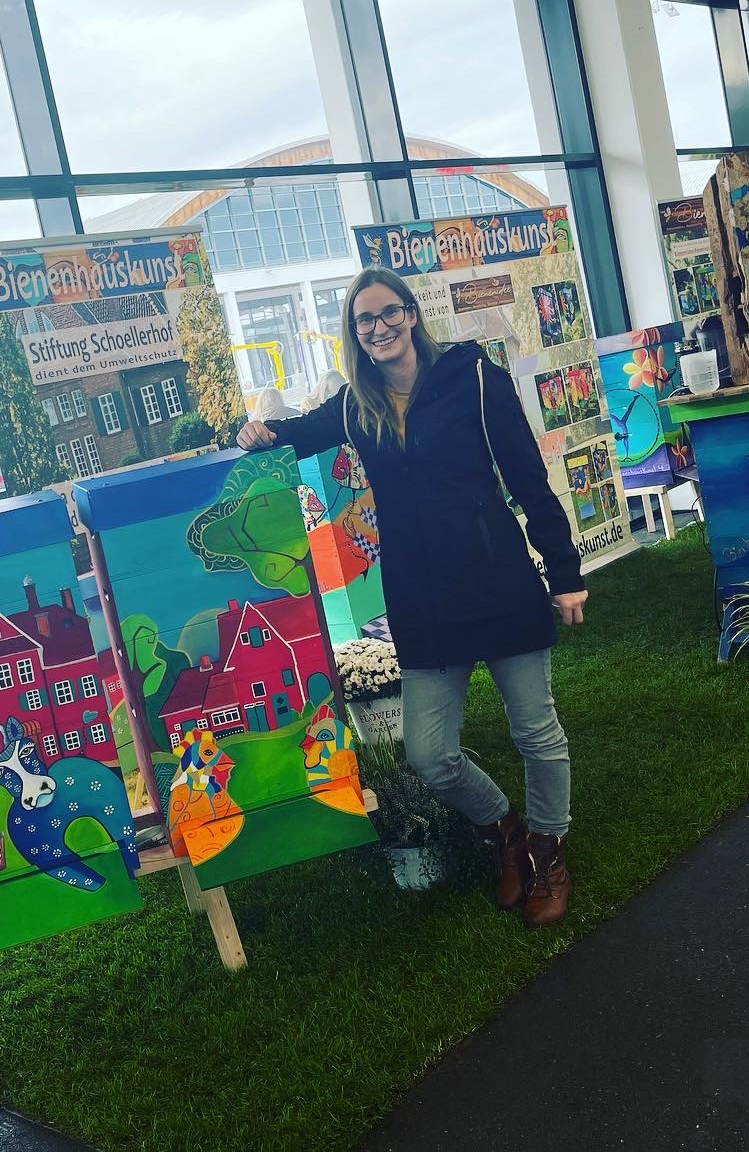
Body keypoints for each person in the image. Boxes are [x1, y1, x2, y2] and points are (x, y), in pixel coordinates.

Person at [237, 266, 586, 928]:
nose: (380, 328)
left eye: (389, 312)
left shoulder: (473, 377)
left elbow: (527, 478)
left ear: (411, 313)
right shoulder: (355, 404)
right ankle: (505, 830)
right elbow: (295, 432)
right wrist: (257, 431)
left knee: (536, 733)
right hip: (423, 600)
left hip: (498, 582)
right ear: (354, 333)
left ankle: (548, 852)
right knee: (429, 754)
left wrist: (564, 573)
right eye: (364, 320)